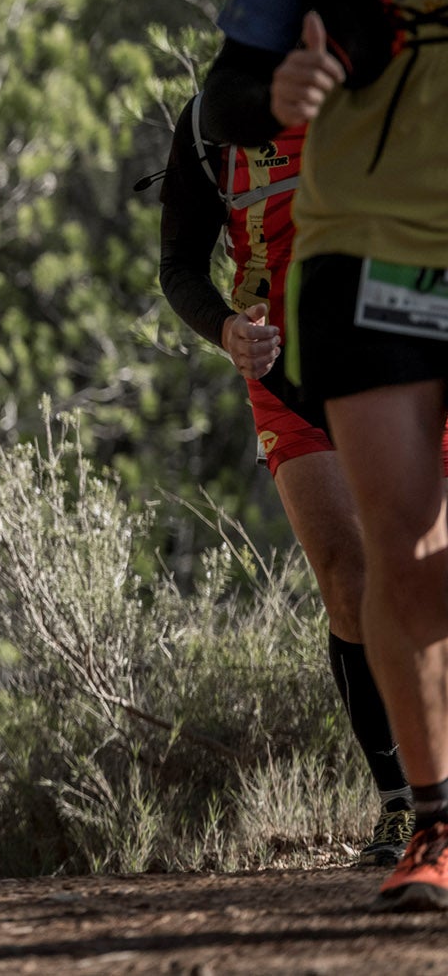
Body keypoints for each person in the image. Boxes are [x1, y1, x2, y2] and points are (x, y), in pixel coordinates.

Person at [202, 0, 448, 910]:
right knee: (388, 564)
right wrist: (278, 85)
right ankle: (427, 822)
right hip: (357, 264)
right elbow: (226, 102)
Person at [157, 94, 432, 865]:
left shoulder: (393, 72)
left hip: (408, 346)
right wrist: (226, 329)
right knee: (348, 579)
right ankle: (402, 804)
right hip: (284, 367)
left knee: (424, 570)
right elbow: (178, 263)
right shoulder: (215, 114)